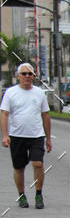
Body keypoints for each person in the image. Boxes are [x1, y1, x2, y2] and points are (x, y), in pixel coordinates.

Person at [1, 62, 51, 208]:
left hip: (36, 135)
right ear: (19, 76)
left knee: (38, 163)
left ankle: (38, 194)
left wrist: (48, 138)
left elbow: (45, 115)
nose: (27, 76)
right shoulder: (10, 93)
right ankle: (21, 195)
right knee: (19, 168)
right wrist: (5, 135)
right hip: (17, 135)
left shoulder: (39, 93)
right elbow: (4, 114)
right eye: (24, 74)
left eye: (30, 74)